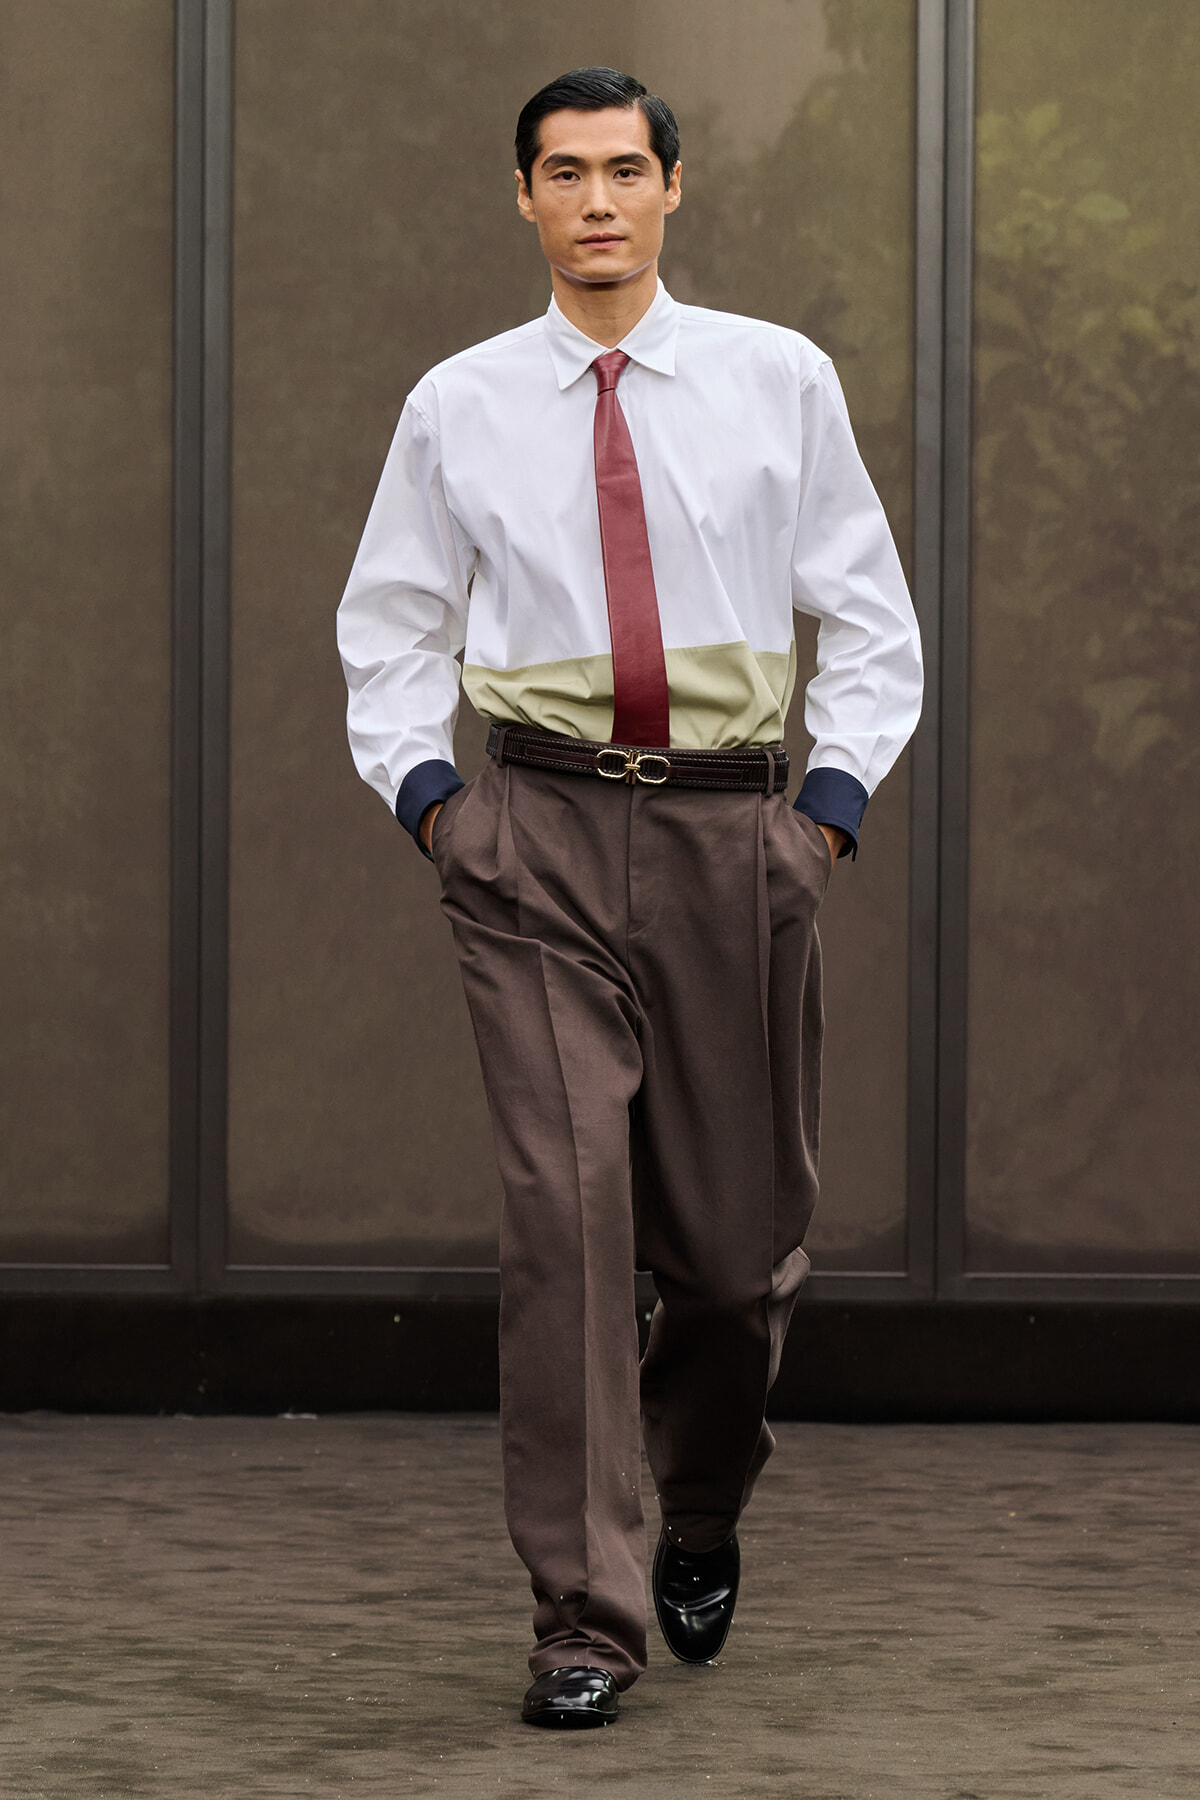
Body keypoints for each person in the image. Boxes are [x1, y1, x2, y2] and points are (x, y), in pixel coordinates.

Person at [338, 66, 921, 1729]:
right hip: (534, 842)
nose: (595, 200)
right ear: (522, 199)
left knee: (737, 1262)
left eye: (622, 169)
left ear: (677, 186)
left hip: (739, 840)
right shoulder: (458, 404)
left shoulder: (774, 380)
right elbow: (389, 628)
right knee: (571, 1231)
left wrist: (821, 817)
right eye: (561, 173)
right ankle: (583, 1614)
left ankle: (706, 1497)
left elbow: (868, 619)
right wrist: (444, 810)